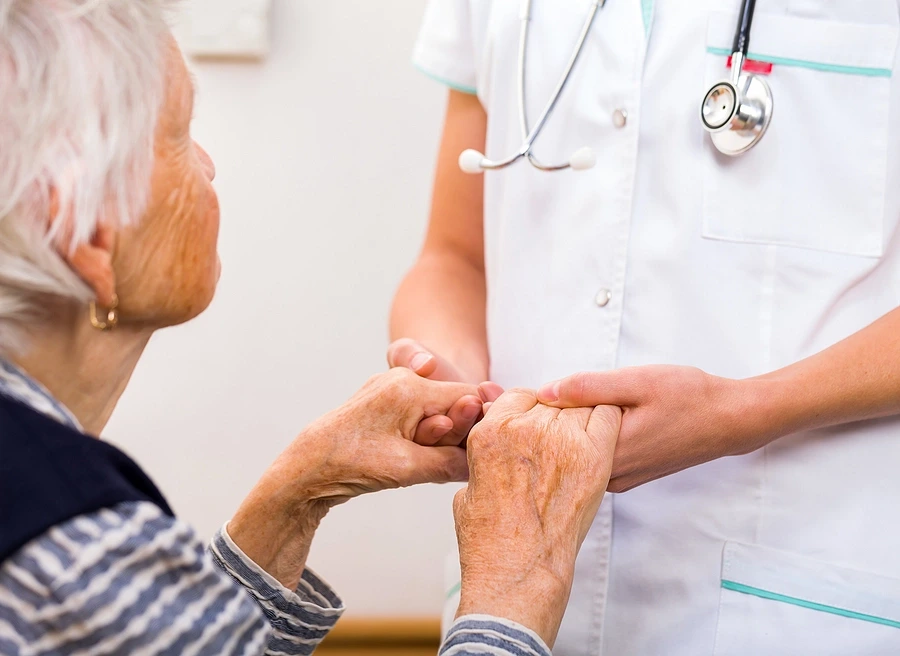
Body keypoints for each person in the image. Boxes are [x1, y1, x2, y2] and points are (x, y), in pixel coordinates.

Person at [0, 2, 622, 655]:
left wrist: (296, 495)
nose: (209, 165)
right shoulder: (77, 556)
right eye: (181, 134)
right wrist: (517, 582)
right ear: (87, 228)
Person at [390, 1, 900, 654]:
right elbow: (452, 258)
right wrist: (451, 382)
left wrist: (741, 411)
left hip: (803, 594)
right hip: (516, 598)